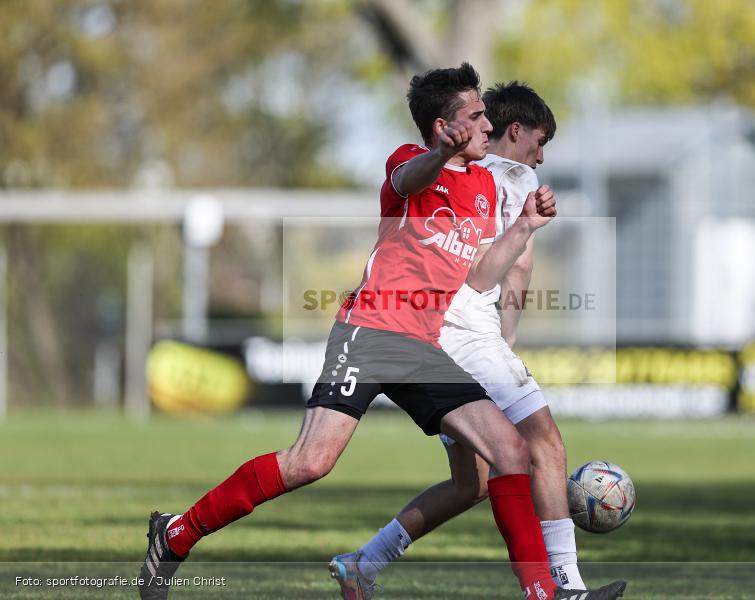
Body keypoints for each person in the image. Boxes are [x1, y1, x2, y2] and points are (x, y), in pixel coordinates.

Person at [138, 64, 625, 600]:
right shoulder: (408, 162)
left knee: (509, 452)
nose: (488, 124)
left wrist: (525, 227)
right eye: (476, 116)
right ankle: (177, 534)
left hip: (424, 347)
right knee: (309, 463)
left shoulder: (485, 185)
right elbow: (410, 178)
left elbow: (480, 276)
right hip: (370, 333)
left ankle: (544, 594)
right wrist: (439, 154)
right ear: (445, 127)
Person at [330, 82, 598, 598]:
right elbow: (517, 266)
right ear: (515, 131)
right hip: (467, 331)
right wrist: (507, 337)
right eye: (540, 141)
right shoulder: (512, 176)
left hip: (426, 329)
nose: (541, 156)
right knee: (545, 444)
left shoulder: (457, 167)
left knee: (471, 483)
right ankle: (567, 583)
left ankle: (364, 562)